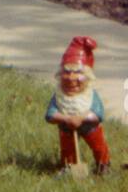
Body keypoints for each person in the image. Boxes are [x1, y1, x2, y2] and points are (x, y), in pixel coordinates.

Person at [45, 36, 111, 175]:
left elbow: (98, 114)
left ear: (87, 76)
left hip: (89, 127)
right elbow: (50, 115)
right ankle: (68, 167)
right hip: (66, 127)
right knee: (68, 149)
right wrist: (66, 119)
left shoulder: (91, 95)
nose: (71, 78)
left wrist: (81, 118)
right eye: (67, 72)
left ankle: (103, 165)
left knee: (99, 146)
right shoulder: (59, 96)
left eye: (78, 73)